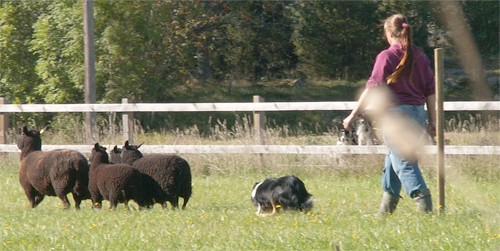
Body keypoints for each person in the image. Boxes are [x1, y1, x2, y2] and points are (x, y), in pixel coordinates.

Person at [342, 14, 436, 215]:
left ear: (388, 33)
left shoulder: (386, 56)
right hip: (418, 113)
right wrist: (433, 120)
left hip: (396, 115)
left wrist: (352, 114)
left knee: (403, 162)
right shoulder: (420, 55)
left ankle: (425, 206)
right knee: (393, 159)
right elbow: (430, 90)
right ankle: (385, 210)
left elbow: (372, 88)